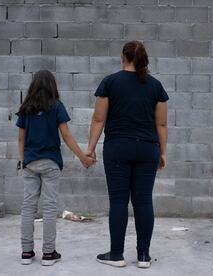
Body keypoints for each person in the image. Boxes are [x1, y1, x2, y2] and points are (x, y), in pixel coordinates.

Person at [86, 41, 169, 269]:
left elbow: (98, 120)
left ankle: (116, 255)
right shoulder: (156, 86)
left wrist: (90, 148)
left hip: (118, 148)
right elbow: (161, 124)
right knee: (143, 201)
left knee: (119, 201)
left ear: (124, 57)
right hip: (147, 149)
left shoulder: (110, 82)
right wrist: (162, 152)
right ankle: (143, 257)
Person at [16, 70, 96, 266]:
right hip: (50, 163)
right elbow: (67, 136)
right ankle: (48, 254)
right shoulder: (57, 107)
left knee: (28, 207)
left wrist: (23, 160)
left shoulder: (26, 108)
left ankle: (26, 252)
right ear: (52, 86)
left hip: (30, 163)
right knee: (50, 208)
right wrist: (82, 157)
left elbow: (21, 138)